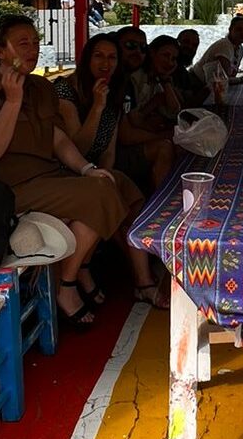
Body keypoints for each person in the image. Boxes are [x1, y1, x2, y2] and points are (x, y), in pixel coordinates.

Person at [0, 15, 129, 327]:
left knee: (107, 182)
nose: (33, 49)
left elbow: (57, 139)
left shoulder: (40, 87)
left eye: (36, 42)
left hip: (46, 179)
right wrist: (12, 101)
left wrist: (87, 168)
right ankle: (67, 285)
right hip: (5, 190)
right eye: (23, 43)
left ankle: (78, 271)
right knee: (100, 194)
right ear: (0, 51)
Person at [52, 34, 169, 307]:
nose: (106, 63)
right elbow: (75, 147)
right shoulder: (65, 90)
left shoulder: (116, 89)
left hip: (96, 172)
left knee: (133, 203)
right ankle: (87, 272)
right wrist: (96, 107)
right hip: (67, 172)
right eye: (99, 56)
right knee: (110, 196)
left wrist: (107, 175)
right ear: (87, 59)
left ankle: (141, 282)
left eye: (112, 57)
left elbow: (109, 150)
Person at [115, 26, 176, 194]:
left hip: (113, 150)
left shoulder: (125, 81)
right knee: (166, 145)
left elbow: (174, 110)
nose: (137, 52)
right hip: (107, 155)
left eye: (142, 48)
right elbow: (126, 134)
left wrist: (165, 81)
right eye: (130, 45)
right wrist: (164, 134)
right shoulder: (126, 80)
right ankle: (160, 205)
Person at [193, 15, 243, 84]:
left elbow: (229, 77)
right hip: (196, 83)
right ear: (230, 30)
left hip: (208, 84)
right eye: (239, 29)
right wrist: (240, 80)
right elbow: (223, 78)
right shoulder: (224, 46)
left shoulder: (240, 48)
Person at [173, 28, 209, 106]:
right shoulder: (169, 69)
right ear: (176, 42)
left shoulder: (182, 71)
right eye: (186, 42)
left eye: (194, 45)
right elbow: (183, 106)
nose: (190, 47)